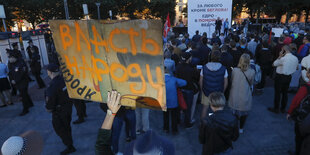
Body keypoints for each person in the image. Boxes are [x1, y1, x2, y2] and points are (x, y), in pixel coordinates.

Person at [95, 91, 175, 155]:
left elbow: (101, 146)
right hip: (120, 114)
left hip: (124, 112)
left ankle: (123, 144)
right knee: (117, 133)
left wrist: (111, 112)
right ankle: (119, 147)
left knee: (128, 129)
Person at [45, 63, 76, 154]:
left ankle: (69, 146)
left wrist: (48, 108)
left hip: (59, 112)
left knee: (60, 129)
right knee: (67, 126)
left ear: (49, 72)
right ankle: (69, 143)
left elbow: (50, 103)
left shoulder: (52, 86)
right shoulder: (65, 80)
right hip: (68, 108)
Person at [229, 54, 255, 134]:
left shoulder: (235, 70)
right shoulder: (252, 71)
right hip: (245, 94)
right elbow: (251, 83)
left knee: (234, 113)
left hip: (235, 94)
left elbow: (232, 80)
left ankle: (235, 126)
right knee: (244, 113)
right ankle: (241, 127)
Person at [268, 45, 299, 113]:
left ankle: (276, 108)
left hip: (280, 77)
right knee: (285, 93)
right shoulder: (295, 58)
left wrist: (279, 56)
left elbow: (273, 64)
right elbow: (297, 68)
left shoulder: (283, 59)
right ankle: (283, 108)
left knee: (277, 93)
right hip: (289, 77)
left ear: (284, 51)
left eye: (281, 50)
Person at [287, 69, 310, 155]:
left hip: (304, 117)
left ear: (308, 74)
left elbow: (296, 101)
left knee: (299, 137)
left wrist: (290, 112)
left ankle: (298, 152)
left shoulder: (305, 88)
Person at [200, 51, 228, 118]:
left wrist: (202, 90)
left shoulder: (204, 67)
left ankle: (203, 124)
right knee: (218, 110)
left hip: (206, 91)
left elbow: (201, 80)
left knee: (205, 108)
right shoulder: (223, 68)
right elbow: (226, 82)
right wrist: (222, 91)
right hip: (218, 92)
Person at [176, 52, 200, 128]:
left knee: (179, 106)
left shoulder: (178, 67)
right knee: (188, 107)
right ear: (189, 59)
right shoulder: (191, 69)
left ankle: (178, 120)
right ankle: (187, 123)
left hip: (180, 89)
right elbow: (197, 78)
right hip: (189, 89)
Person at [164, 67, 186, 134]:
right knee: (174, 116)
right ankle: (174, 130)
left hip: (164, 101)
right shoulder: (173, 79)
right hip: (173, 101)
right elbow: (184, 82)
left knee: (165, 116)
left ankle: (166, 128)